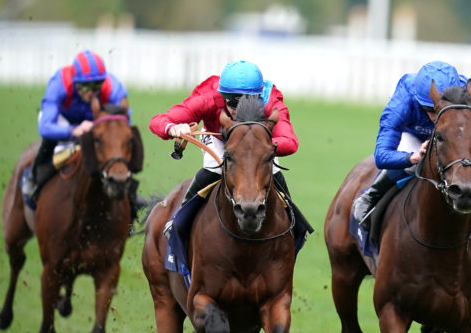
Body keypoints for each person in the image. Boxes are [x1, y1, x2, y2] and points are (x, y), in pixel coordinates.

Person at [352, 60, 471, 229]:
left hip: (453, 140)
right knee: (412, 162)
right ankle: (371, 195)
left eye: (440, 110)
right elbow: (381, 156)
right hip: (413, 137)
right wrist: (413, 157)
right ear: (417, 100)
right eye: (429, 110)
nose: (435, 117)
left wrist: (463, 159)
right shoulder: (404, 97)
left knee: (465, 155)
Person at [148, 60, 299, 203]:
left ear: (258, 97)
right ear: (223, 96)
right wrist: (172, 128)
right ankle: (177, 222)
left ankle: (297, 228)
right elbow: (158, 121)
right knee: (215, 169)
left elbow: (290, 142)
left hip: (258, 144)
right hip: (220, 139)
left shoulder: (271, 104)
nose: (238, 111)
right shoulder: (208, 100)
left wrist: (261, 145)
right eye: (232, 102)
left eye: (246, 103)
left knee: (273, 173)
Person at [23, 50, 146, 223]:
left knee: (123, 142)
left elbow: (123, 123)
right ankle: (35, 178)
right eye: (86, 87)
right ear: (75, 83)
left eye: (97, 86)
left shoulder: (114, 87)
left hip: (97, 122)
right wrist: (72, 131)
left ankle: (129, 192)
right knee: (50, 141)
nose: (92, 93)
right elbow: (45, 127)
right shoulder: (59, 83)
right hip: (64, 121)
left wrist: (102, 130)